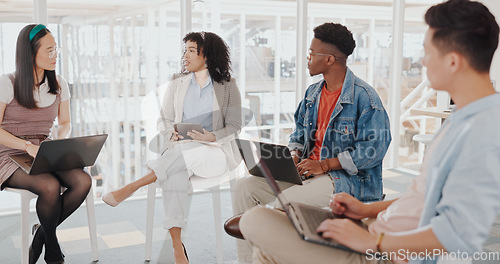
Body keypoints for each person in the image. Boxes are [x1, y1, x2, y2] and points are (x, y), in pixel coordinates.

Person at [239, 1, 500, 263]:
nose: (423, 61)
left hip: (380, 252)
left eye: (428, 52)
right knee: (265, 247)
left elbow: (460, 234)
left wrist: (373, 242)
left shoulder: (483, 130)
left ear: (453, 61)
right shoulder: (462, 120)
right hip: (373, 232)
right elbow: (421, 199)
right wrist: (365, 210)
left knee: (256, 221)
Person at [229, 22, 391, 263]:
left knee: (285, 205)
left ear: (329, 60)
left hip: (345, 181)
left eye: (311, 53)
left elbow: (374, 150)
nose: (307, 58)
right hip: (307, 173)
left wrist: (325, 165)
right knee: (244, 187)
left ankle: (281, 257)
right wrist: (293, 154)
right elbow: (298, 134)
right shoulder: (312, 94)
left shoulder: (365, 97)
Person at [102, 31, 241, 264]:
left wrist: (212, 137)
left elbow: (235, 126)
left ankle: (132, 186)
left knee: (182, 155)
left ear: (207, 55)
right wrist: (170, 132)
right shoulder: (178, 81)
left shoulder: (227, 86)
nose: (185, 55)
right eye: (184, 49)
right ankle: (178, 249)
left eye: (191, 50)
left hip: (214, 153)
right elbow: (163, 119)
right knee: (174, 175)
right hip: (180, 150)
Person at [0, 24, 92, 264]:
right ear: (30, 53)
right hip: (9, 153)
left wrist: (61, 141)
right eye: (49, 50)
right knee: (50, 186)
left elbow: (65, 122)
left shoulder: (59, 83)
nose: (55, 56)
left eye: (56, 49)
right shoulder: (7, 83)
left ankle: (41, 235)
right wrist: (26, 146)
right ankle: (53, 250)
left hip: (45, 149)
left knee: (83, 180)